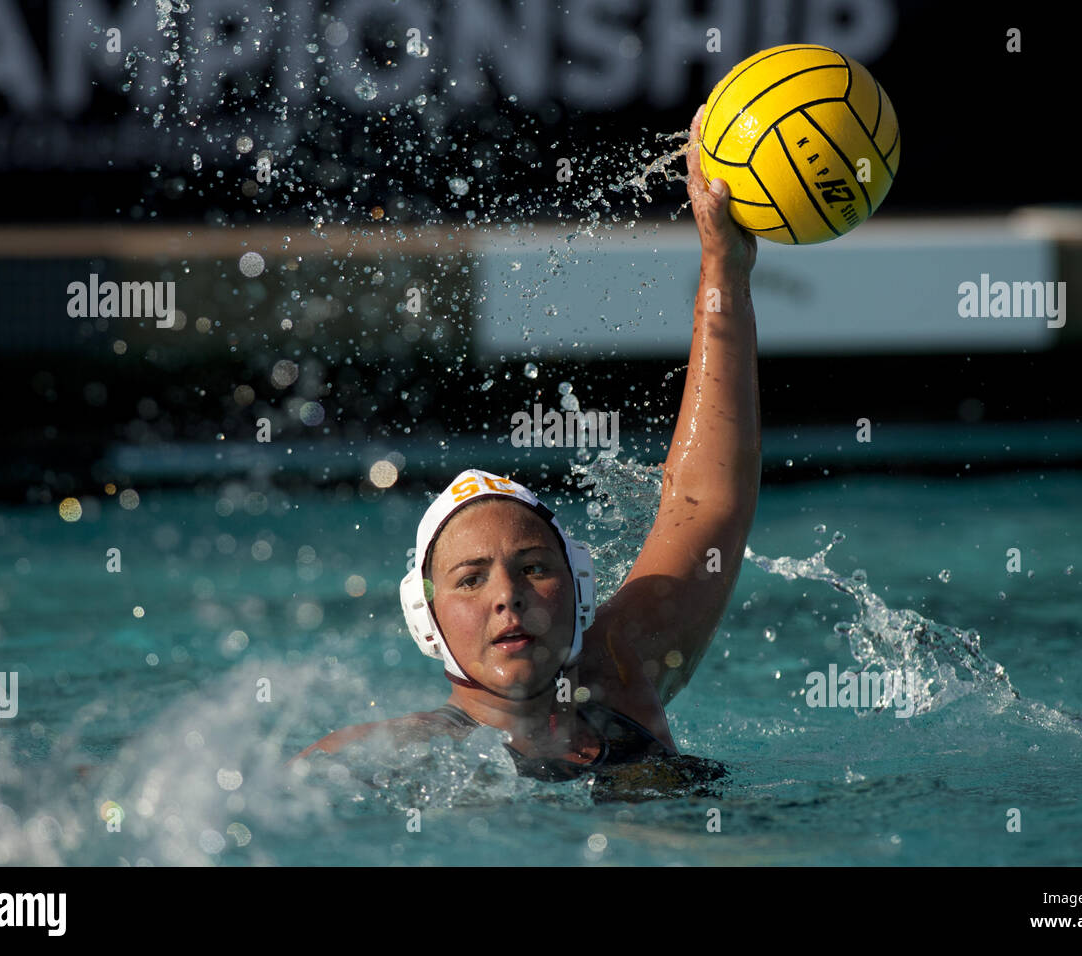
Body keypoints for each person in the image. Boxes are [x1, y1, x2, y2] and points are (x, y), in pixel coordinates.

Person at [294, 105, 760, 792]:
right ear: (426, 619)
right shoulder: (380, 760)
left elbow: (706, 498)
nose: (508, 597)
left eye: (534, 567)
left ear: (579, 588)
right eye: (470, 578)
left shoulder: (620, 675)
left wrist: (726, 265)